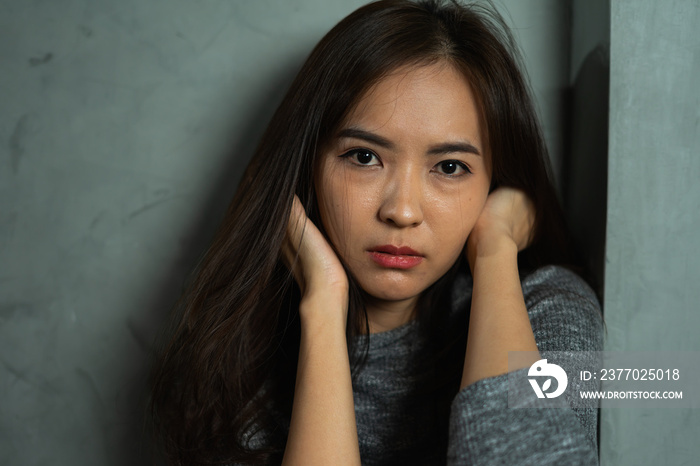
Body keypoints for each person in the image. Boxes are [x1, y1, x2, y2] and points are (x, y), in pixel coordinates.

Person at [150, 1, 604, 464]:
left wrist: (494, 251)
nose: (402, 211)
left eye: (450, 167)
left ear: (495, 181)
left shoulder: (548, 311)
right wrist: (323, 306)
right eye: (364, 157)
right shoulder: (242, 348)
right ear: (307, 164)